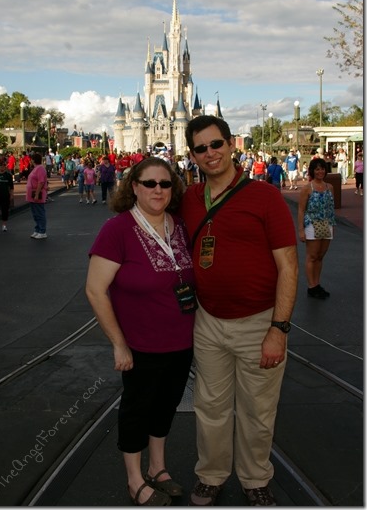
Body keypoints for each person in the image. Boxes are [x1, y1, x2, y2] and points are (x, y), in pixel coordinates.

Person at [180, 115, 298, 507]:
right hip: (209, 320)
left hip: (258, 322)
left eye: (217, 144)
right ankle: (211, 475)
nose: (211, 154)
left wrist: (278, 329)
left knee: (257, 410)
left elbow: (288, 266)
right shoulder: (191, 199)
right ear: (193, 155)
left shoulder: (264, 196)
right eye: (201, 148)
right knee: (209, 407)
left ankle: (254, 478)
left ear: (231, 144)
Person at [86, 157, 196, 506]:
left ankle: (158, 468)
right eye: (150, 183)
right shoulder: (117, 230)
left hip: (181, 340)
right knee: (138, 408)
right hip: (141, 343)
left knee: (167, 404)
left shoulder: (178, 226)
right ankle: (135, 479)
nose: (158, 190)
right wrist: (119, 344)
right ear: (134, 187)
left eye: (165, 184)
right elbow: (94, 289)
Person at [297, 158, 335, 300]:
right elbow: (301, 210)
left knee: (320, 256)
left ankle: (317, 283)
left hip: (327, 224)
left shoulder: (329, 187)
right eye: (317, 169)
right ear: (312, 171)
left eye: (322, 169)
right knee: (312, 256)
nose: (320, 171)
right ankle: (311, 286)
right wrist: (301, 230)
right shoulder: (307, 188)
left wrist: (333, 225)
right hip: (312, 224)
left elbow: (331, 208)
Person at [26, 153, 48, 239]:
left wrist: (37, 193)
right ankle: (38, 229)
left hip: (36, 193)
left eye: (31, 159)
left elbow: (41, 182)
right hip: (32, 194)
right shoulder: (35, 168)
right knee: (35, 213)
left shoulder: (40, 169)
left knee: (39, 212)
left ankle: (42, 231)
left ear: (33, 160)